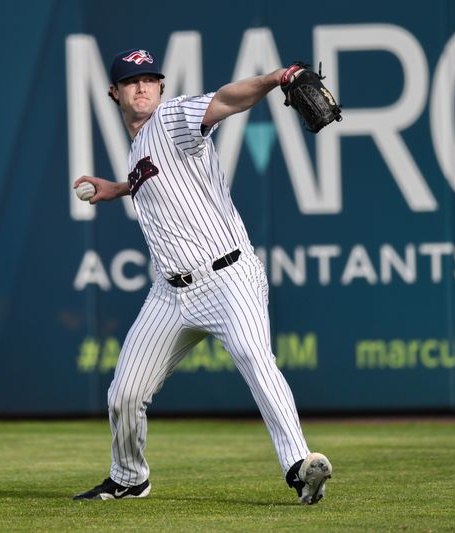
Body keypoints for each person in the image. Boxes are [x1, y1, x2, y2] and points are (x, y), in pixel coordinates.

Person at [72, 48, 331, 504]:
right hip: (170, 294)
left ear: (161, 86)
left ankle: (299, 466)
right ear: (114, 92)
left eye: (150, 78)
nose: (143, 87)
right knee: (124, 395)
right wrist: (120, 188)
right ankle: (130, 478)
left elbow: (226, 100)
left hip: (228, 276)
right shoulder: (140, 148)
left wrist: (276, 77)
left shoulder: (172, 117)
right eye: (132, 81)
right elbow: (156, 179)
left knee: (255, 357)